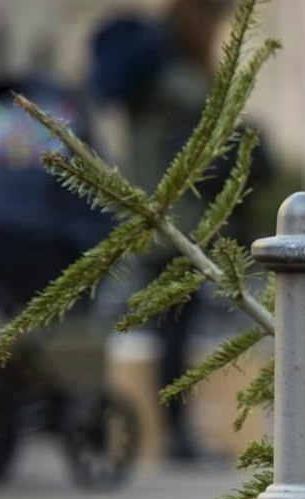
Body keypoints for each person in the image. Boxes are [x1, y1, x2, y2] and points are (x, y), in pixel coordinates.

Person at [89, 0, 234, 462]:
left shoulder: (176, 59)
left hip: (178, 217)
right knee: (167, 328)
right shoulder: (163, 60)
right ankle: (171, 435)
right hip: (167, 219)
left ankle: (170, 432)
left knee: (169, 328)